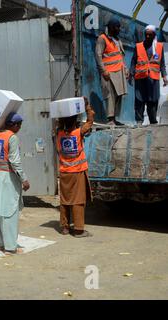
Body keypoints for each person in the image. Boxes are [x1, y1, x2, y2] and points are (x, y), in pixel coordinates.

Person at [0, 113, 30, 254]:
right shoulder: (12, 137)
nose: (19, 128)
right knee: (9, 212)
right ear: (14, 125)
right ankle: (10, 247)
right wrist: (24, 179)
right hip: (8, 177)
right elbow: (14, 161)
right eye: (19, 125)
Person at [56, 97, 95, 238]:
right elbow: (90, 121)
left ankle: (65, 228)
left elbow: (60, 123)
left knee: (65, 201)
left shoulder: (59, 134)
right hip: (77, 172)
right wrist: (86, 106)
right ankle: (78, 230)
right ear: (75, 122)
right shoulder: (79, 132)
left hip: (64, 172)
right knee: (78, 201)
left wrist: (62, 112)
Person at [130, 24, 168, 125]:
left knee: (153, 101)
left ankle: (153, 121)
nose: (147, 37)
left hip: (153, 79)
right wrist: (131, 74)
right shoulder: (138, 46)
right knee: (139, 100)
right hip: (140, 78)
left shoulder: (159, 47)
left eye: (150, 35)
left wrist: (164, 77)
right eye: (146, 35)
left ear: (154, 35)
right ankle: (139, 121)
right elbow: (133, 62)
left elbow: (162, 64)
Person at [95, 17, 129, 126]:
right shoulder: (102, 38)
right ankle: (110, 119)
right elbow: (98, 55)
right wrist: (103, 71)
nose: (119, 29)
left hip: (119, 72)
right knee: (110, 96)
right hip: (108, 73)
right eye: (117, 27)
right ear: (111, 28)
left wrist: (125, 69)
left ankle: (115, 118)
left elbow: (120, 56)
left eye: (119, 27)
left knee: (119, 96)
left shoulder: (118, 40)